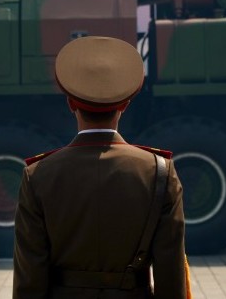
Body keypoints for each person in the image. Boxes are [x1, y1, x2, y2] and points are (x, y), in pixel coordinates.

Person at [13, 36, 190, 299]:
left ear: (71, 104)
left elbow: (30, 279)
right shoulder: (159, 172)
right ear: (125, 104)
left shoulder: (38, 175)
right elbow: (170, 275)